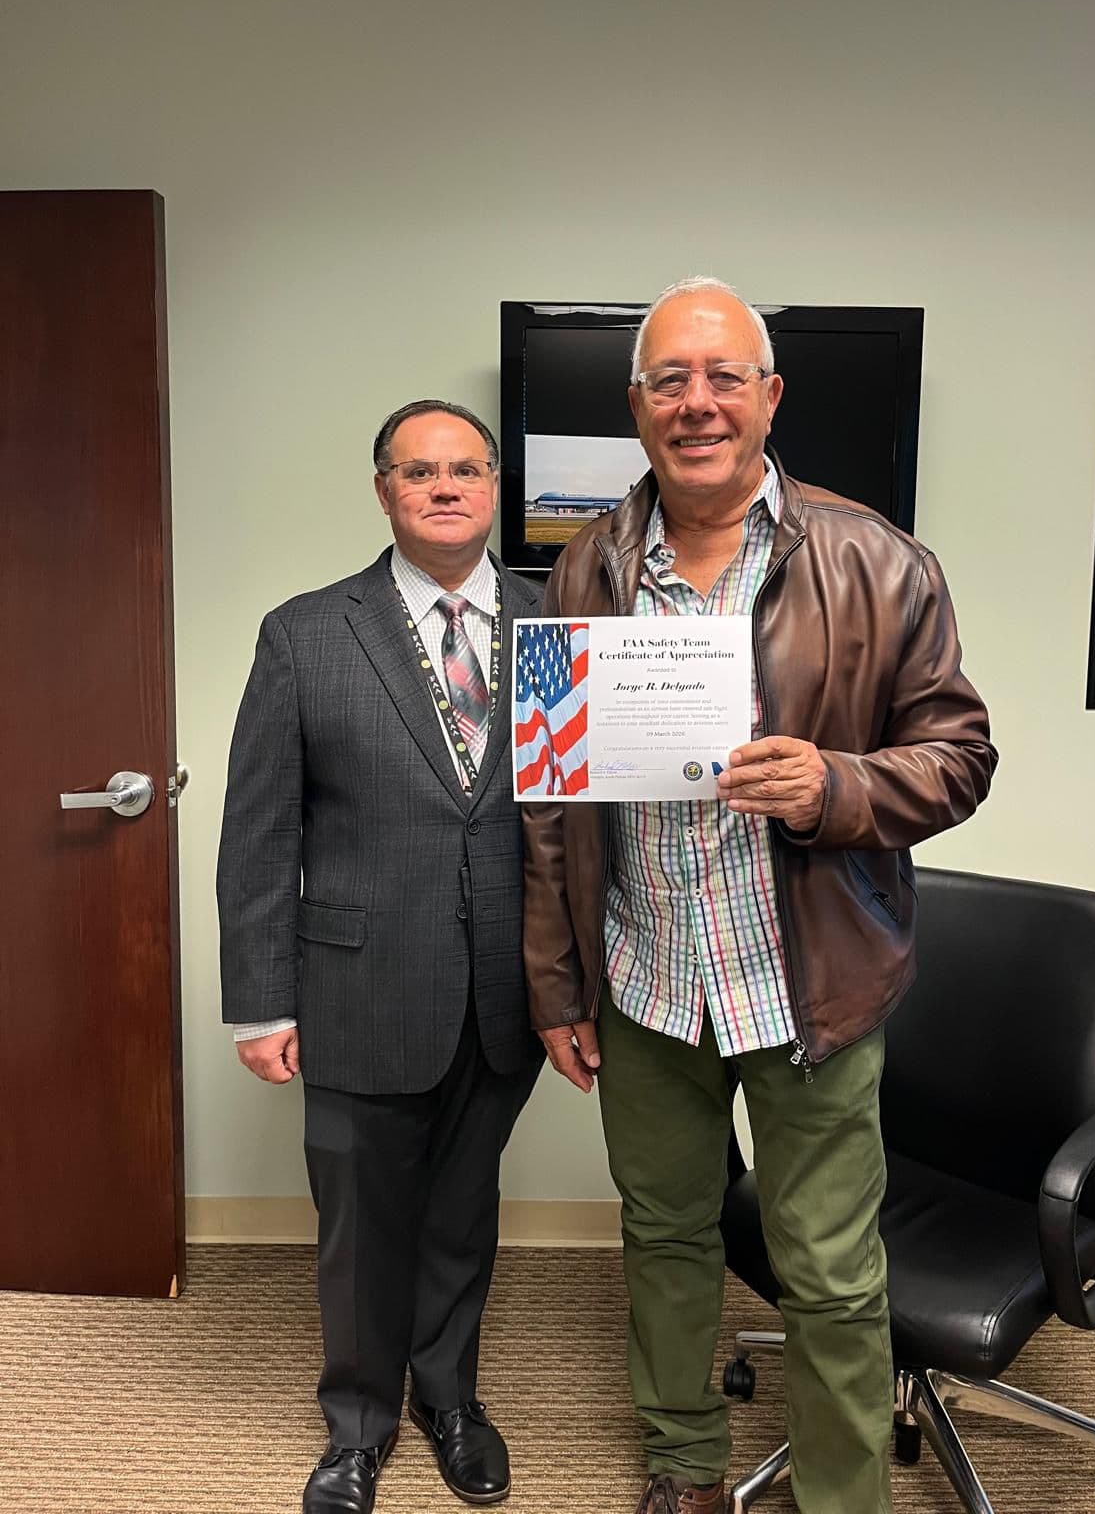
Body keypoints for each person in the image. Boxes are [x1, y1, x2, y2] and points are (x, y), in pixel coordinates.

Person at [522, 278, 997, 1514]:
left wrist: (837, 782)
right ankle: (685, 1463)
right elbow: (554, 806)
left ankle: (842, 1496)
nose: (699, 403)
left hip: (807, 987)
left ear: (770, 396)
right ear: (636, 406)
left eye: (725, 376)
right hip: (645, 980)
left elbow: (960, 757)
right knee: (665, 1236)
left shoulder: (876, 558)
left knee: (832, 1271)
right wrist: (555, 982)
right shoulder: (585, 562)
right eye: (671, 379)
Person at [218, 400, 543, 1514]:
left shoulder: (560, 628)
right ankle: (358, 1425)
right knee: (362, 1223)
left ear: (495, 487)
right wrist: (259, 1002)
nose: (446, 487)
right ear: (385, 492)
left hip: (507, 990)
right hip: (355, 982)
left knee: (464, 1206)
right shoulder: (306, 632)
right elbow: (261, 828)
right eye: (420, 471)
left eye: (466, 469)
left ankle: (450, 1399)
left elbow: (583, 827)